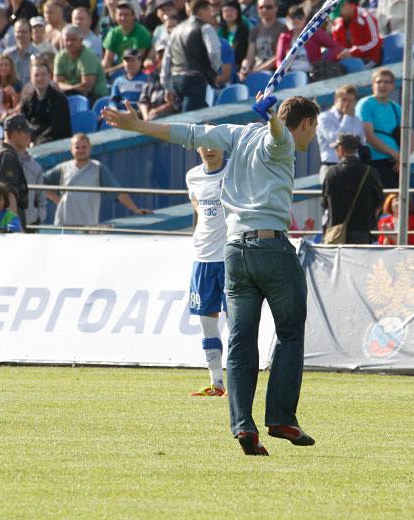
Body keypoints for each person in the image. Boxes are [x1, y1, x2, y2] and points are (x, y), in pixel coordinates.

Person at [102, 94, 322, 456]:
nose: (312, 137)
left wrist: (140, 126)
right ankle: (281, 417)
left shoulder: (236, 134)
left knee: (240, 340)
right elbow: (278, 136)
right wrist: (270, 115)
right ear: (307, 123)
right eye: (313, 128)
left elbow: (190, 133)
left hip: (233, 252)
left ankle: (243, 425)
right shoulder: (282, 143)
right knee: (290, 332)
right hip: (272, 249)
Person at [185, 143, 229, 397]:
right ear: (197, 149)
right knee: (207, 322)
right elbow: (197, 205)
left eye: (215, 144)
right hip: (202, 258)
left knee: (237, 323)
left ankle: (238, 383)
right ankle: (217, 383)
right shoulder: (192, 175)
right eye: (205, 145)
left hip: (230, 256)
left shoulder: (235, 171)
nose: (210, 149)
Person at [44, 133, 150, 226]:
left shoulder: (98, 168)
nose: (81, 150)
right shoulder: (62, 168)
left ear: (90, 148)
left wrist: (135, 210)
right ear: (71, 150)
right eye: (77, 147)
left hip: (88, 225)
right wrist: (54, 198)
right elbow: (40, 181)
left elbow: (118, 192)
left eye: (84, 147)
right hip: (63, 224)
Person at [160, 0, 223, 112]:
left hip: (175, 80)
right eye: (209, 11)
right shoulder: (205, 27)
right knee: (191, 118)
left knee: (200, 112)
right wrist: (213, 71)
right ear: (202, 11)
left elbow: (167, 59)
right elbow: (214, 52)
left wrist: (166, 85)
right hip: (194, 79)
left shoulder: (176, 30)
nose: (211, 15)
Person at [322, 133, 384, 244]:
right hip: (362, 232)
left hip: (336, 234)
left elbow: (324, 203)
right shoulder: (370, 172)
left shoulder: (331, 173)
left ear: (341, 150)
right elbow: (379, 203)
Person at [358, 68, 404, 188]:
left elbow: (410, 135)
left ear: (392, 86)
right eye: (378, 82)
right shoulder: (366, 104)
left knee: (395, 198)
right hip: (374, 162)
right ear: (372, 85)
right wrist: (395, 154)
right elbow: (368, 135)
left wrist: (403, 158)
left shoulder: (396, 107)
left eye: (387, 82)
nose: (382, 85)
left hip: (394, 164)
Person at [0, 114, 31, 226]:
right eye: (26, 133)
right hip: (5, 225)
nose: (29, 137)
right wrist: (15, 227)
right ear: (15, 134)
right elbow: (8, 194)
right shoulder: (7, 157)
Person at [316, 84, 366, 183]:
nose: (347, 104)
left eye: (350, 101)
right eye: (344, 100)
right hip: (331, 165)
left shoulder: (357, 119)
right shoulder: (324, 117)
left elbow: (361, 141)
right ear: (336, 100)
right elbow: (335, 139)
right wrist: (347, 117)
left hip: (353, 165)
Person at [21, 57, 72, 146]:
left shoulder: (59, 99)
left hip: (54, 143)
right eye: (36, 75)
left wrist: (34, 140)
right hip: (32, 140)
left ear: (49, 77)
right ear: (31, 78)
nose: (40, 78)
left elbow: (56, 129)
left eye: (43, 75)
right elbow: (22, 122)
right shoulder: (27, 100)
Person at [54, 24, 108, 100]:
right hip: (71, 93)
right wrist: (71, 88)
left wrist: (67, 87)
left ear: (81, 40)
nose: (69, 43)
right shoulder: (60, 56)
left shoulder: (88, 56)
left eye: (73, 39)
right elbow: (57, 84)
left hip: (95, 96)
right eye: (67, 40)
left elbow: (87, 87)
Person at [239, 0, 284, 80]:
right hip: (256, 69)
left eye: (269, 7)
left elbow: (279, 56)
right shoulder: (254, 30)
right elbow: (250, 55)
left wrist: (257, 71)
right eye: (261, 7)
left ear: (276, 8)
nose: (264, 10)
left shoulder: (282, 28)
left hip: (274, 72)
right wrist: (245, 68)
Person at [330, 0, 383, 67]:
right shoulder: (338, 22)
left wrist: (353, 52)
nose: (339, 16)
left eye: (339, 13)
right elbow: (337, 46)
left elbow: (375, 42)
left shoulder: (365, 16)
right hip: (350, 61)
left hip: (370, 59)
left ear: (346, 5)